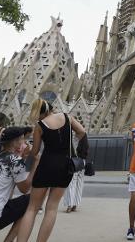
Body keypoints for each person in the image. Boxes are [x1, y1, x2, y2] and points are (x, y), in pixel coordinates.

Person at [15, 98, 85, 242]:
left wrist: (31, 152)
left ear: (41, 113)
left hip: (46, 165)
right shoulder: (67, 117)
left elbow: (35, 152)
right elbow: (82, 131)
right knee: (52, 208)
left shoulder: (40, 126)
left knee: (32, 208)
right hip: (65, 165)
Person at [63, 132, 87, 213]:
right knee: (79, 184)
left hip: (74, 162)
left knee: (71, 183)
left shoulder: (73, 139)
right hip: (82, 162)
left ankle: (69, 205)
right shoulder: (84, 139)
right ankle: (75, 204)